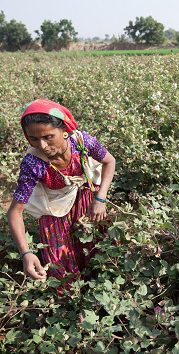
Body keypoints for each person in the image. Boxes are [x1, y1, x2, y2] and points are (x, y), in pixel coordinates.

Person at [7, 99, 116, 285]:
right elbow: (14, 212)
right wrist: (26, 253)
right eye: (33, 138)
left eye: (48, 136)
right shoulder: (34, 163)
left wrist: (100, 198)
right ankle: (70, 300)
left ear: (65, 131)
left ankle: (96, 284)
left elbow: (109, 161)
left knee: (93, 244)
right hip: (55, 207)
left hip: (85, 197)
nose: (41, 145)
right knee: (59, 260)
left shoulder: (82, 142)